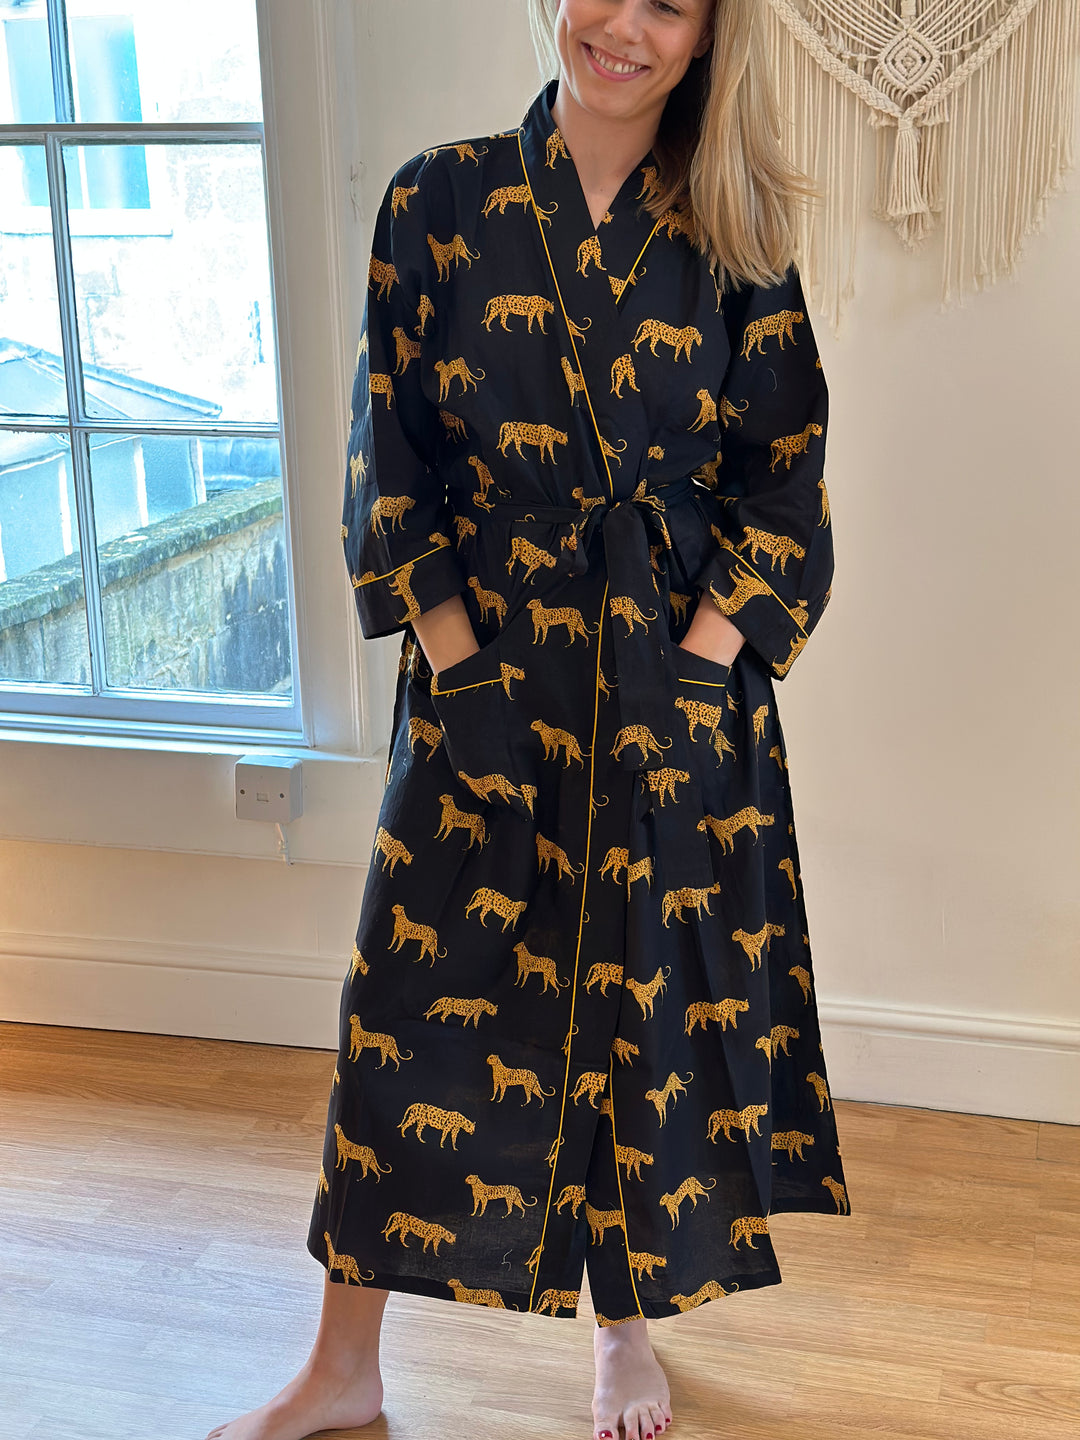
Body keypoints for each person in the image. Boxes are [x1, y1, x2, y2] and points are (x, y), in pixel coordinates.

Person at [206, 2, 851, 1438]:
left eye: (669, 4)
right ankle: (344, 1364)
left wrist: (699, 670)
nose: (623, 24)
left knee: (637, 1007)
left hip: (676, 685)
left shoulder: (737, 229)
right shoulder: (439, 200)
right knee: (403, 1002)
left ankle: (624, 1331)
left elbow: (783, 478)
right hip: (486, 671)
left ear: (705, 39)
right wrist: (460, 668)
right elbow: (394, 450)